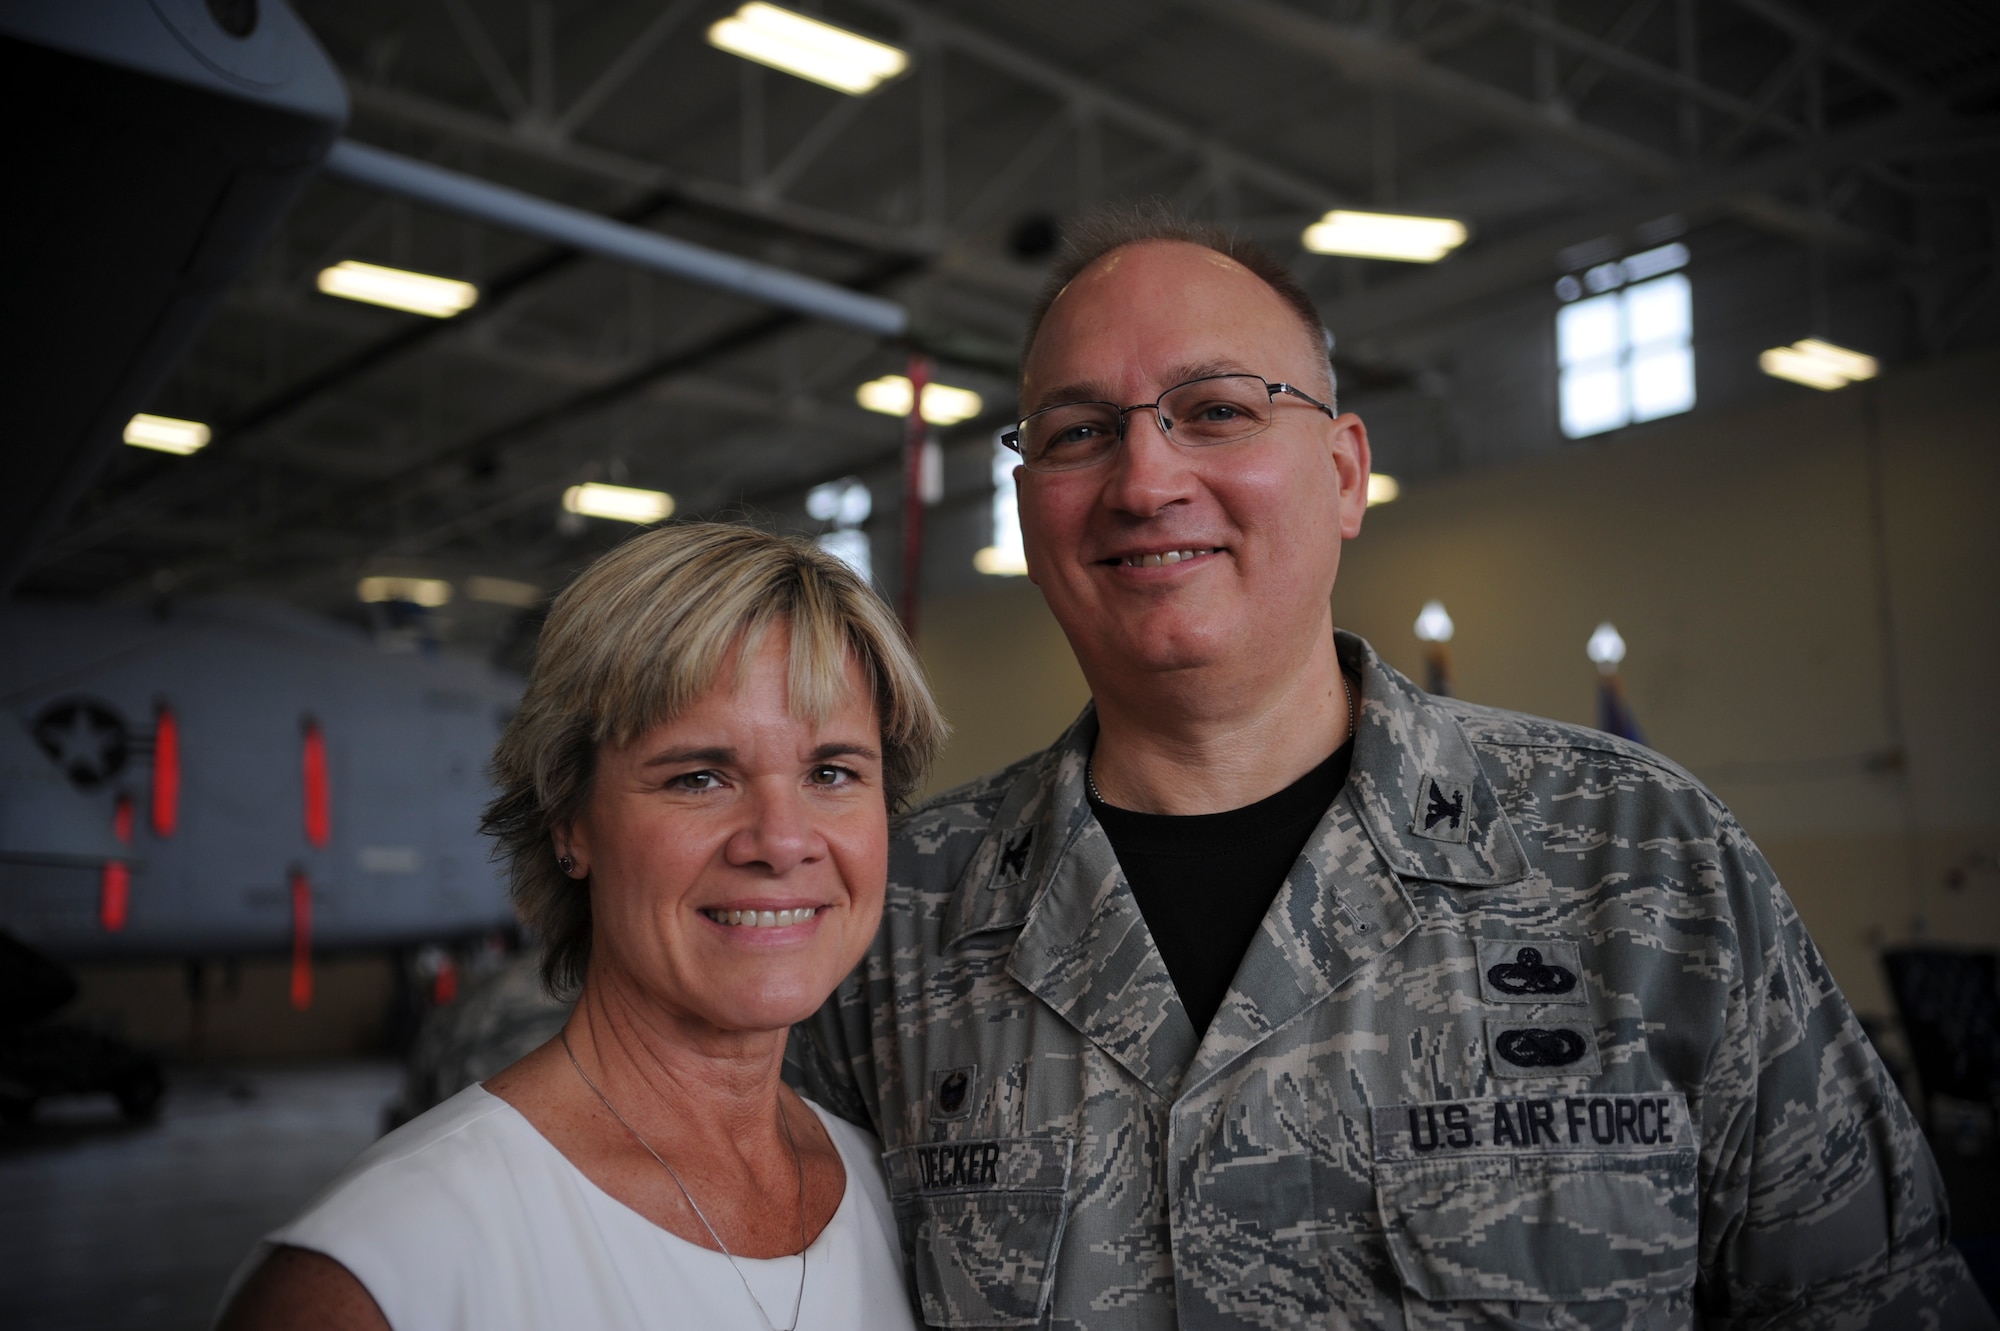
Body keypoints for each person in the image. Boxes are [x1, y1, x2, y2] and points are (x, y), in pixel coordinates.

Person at [793, 208, 1996, 1328]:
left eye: (1213, 409)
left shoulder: (1639, 859)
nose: (1145, 480)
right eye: (1078, 431)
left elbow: (1872, 1295)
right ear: (1026, 502)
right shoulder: (891, 919)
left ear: (1343, 471)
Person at [220, 522, 945, 1330]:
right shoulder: (379, 1273)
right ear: (569, 821)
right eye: (700, 776)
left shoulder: (915, 1206)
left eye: (832, 772)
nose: (780, 841)